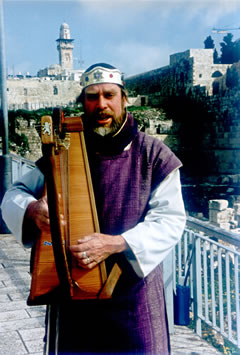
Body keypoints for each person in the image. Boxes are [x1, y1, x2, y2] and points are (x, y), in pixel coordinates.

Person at [1, 63, 186, 354]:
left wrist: (116, 243)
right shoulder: (64, 149)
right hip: (74, 295)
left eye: (109, 95)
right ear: (83, 103)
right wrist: (32, 210)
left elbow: (170, 221)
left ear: (124, 99)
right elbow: (15, 194)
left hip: (134, 299)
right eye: (92, 97)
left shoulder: (154, 155)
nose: (101, 104)